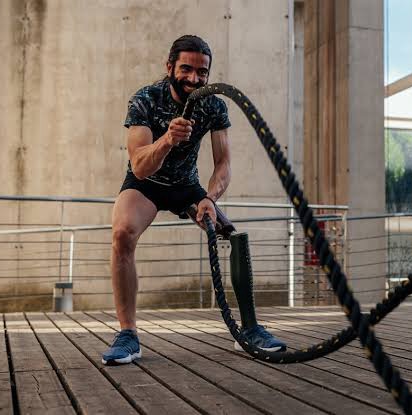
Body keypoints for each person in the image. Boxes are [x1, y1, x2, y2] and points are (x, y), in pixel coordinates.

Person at [102, 35, 286, 365]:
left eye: (202, 72)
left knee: (231, 233)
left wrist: (210, 198)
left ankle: (250, 329)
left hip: (187, 185)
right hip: (147, 184)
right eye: (186, 69)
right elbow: (140, 166)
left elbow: (223, 164)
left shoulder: (213, 105)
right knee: (122, 235)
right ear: (169, 67)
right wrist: (168, 140)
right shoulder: (145, 99)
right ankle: (128, 335)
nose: (194, 78)